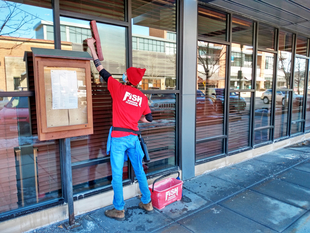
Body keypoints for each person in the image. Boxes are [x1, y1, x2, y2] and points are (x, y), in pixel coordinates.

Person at [86, 38, 153, 221]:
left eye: (125, 74)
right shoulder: (142, 98)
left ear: (128, 79)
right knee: (139, 170)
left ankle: (119, 210)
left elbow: (100, 68)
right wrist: (135, 117)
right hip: (133, 138)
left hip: (118, 137)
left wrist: (91, 47)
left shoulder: (119, 88)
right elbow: (149, 118)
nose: (123, 75)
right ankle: (147, 202)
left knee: (117, 174)